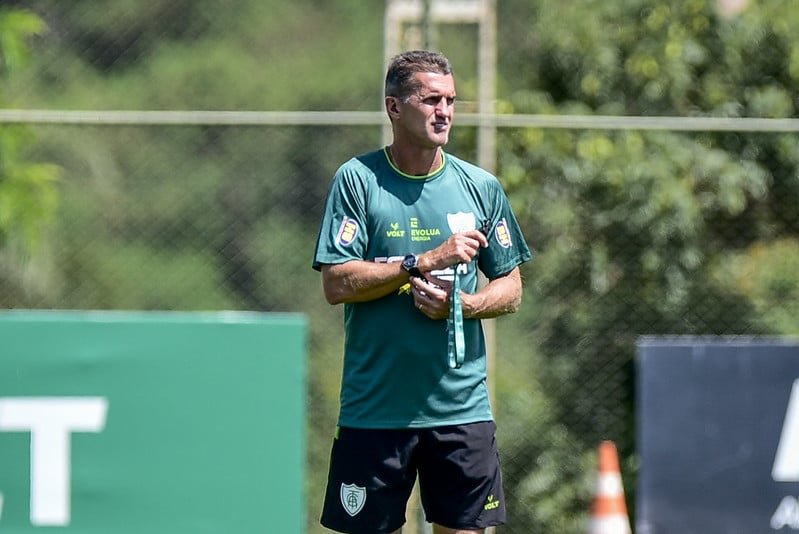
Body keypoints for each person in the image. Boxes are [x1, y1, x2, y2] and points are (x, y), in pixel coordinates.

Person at [312, 50, 532, 534]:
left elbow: (512, 287)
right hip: (375, 412)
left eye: (451, 100)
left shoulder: (481, 187)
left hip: (461, 413)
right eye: (431, 99)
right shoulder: (358, 180)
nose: (445, 111)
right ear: (394, 107)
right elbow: (335, 282)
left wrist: (465, 304)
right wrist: (422, 262)